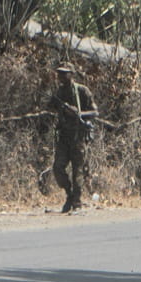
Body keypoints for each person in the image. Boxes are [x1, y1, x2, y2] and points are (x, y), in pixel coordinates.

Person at [50, 64, 99, 212]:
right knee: (58, 168)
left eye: (64, 74)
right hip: (64, 137)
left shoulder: (82, 91)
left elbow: (95, 112)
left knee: (78, 171)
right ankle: (69, 194)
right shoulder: (59, 93)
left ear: (71, 75)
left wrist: (78, 113)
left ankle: (76, 202)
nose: (61, 77)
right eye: (59, 74)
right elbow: (51, 107)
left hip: (78, 136)